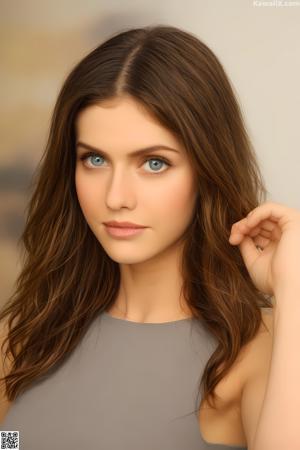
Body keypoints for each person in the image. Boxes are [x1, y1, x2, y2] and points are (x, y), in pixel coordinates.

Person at [1, 24, 300, 450]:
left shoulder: (260, 350)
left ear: (207, 168)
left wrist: (295, 289)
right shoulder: (25, 337)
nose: (116, 197)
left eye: (154, 163)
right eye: (95, 159)